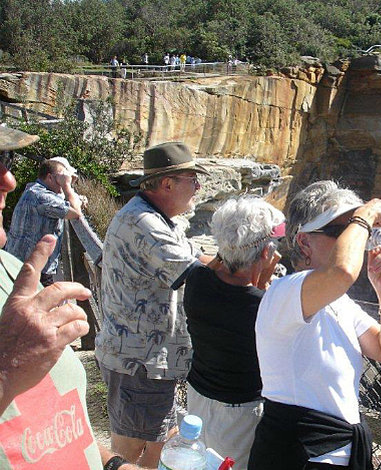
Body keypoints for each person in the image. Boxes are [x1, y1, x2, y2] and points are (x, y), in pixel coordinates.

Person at [0, 125, 148, 470]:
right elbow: (74, 212)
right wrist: (7, 369)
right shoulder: (39, 194)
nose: (9, 180)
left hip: (34, 271)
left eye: (6, 159)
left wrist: (114, 465)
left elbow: (50, 423)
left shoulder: (10, 271)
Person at [248, 180, 381, 470]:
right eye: (340, 230)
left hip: (335, 451)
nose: (353, 236)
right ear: (304, 242)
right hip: (300, 454)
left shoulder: (340, 302)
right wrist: (365, 215)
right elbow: (342, 271)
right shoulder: (284, 292)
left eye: (353, 229)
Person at [95, 142, 212, 467]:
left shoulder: (159, 219)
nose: (198, 187)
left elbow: (196, 257)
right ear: (167, 184)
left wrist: (232, 261)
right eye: (193, 179)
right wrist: (245, 270)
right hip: (140, 364)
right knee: (131, 452)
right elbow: (196, 274)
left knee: (156, 445)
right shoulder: (143, 223)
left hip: (143, 361)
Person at [184, 197, 285, 469]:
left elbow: (220, 275)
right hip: (240, 411)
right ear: (266, 253)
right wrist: (265, 277)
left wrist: (229, 253)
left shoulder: (196, 280)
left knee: (197, 462)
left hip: (198, 395)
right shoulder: (265, 306)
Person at [5, 156, 83, 286]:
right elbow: (75, 212)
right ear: (50, 177)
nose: (63, 182)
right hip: (32, 269)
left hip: (23, 264)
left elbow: (64, 201)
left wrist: (69, 187)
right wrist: (67, 186)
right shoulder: (41, 196)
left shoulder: (33, 189)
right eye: (60, 178)